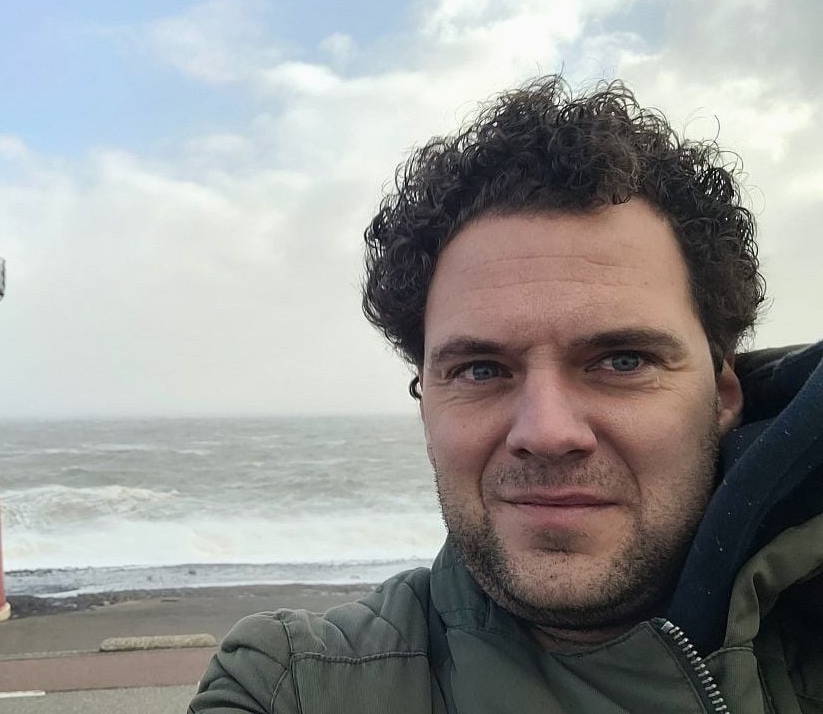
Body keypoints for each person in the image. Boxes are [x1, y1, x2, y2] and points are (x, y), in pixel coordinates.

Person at [188, 76, 823, 713]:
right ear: (426, 408)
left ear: (722, 395)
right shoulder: (293, 685)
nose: (546, 432)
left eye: (622, 361)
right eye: (480, 370)